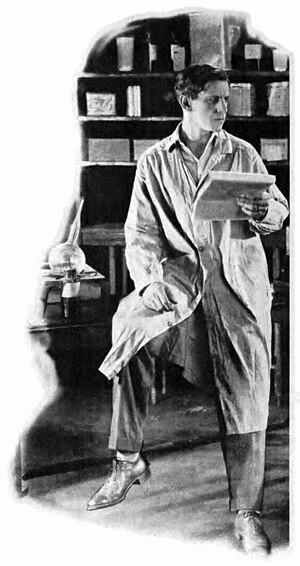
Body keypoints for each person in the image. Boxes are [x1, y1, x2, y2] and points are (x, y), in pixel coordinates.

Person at [86, 64, 289, 556]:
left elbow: (280, 209)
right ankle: (127, 461)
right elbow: (139, 235)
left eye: (225, 100)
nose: (223, 108)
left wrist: (266, 213)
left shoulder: (242, 153)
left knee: (245, 390)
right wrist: (151, 282)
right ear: (187, 103)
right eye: (213, 100)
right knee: (131, 335)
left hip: (235, 290)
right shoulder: (155, 162)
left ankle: (247, 512)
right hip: (179, 286)